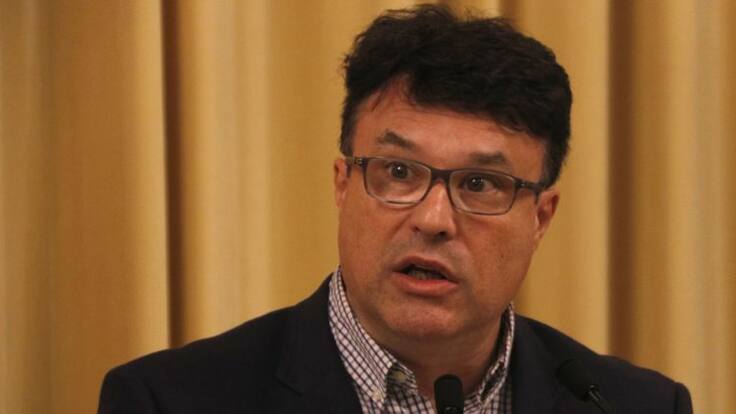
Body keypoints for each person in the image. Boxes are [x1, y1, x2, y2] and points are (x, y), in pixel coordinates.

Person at [98, 5, 692, 413]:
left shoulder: (634, 405)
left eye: (480, 184)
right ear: (342, 186)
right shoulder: (169, 401)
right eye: (400, 173)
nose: (433, 219)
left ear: (540, 218)